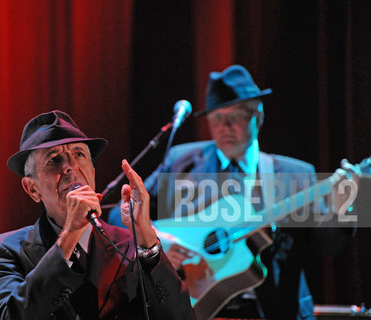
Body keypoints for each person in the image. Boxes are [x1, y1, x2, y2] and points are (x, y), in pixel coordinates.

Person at [108, 65, 360, 320]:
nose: (225, 126)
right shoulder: (182, 161)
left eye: (236, 116)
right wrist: (159, 243)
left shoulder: (293, 174)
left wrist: (346, 206)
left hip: (274, 310)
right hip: (195, 307)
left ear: (258, 117)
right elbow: (121, 216)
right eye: (217, 117)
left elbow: (329, 244)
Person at [0, 110, 194, 320]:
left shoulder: (130, 244)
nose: (70, 167)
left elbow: (181, 316)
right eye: (54, 160)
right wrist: (70, 234)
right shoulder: (4, 250)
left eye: (78, 155)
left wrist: (146, 236)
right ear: (32, 189)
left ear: (92, 172)